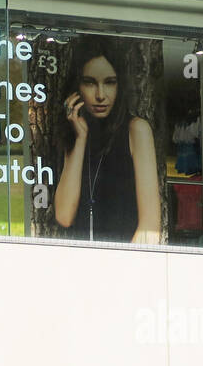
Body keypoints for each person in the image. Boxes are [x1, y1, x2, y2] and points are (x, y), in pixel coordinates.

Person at [53, 36, 160, 244]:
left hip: (124, 262)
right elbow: (64, 216)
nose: (101, 95)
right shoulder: (77, 132)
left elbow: (149, 225)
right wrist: (80, 139)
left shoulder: (136, 130)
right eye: (90, 83)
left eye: (109, 83)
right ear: (77, 88)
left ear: (120, 85)